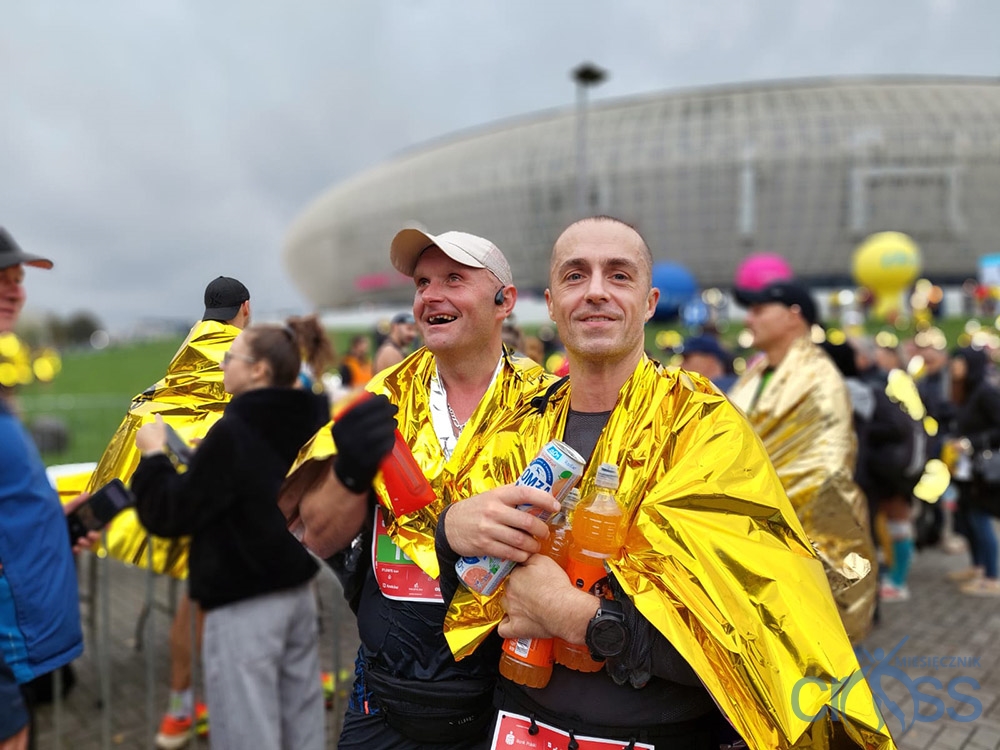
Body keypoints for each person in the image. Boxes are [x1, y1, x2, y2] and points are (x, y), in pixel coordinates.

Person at [442, 217, 894, 749]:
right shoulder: (514, 426)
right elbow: (466, 591)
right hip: (519, 725)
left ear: (650, 301)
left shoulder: (703, 429)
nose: (595, 292)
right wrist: (450, 528)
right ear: (551, 300)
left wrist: (582, 619)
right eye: (574, 275)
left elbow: (755, 633)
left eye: (619, 275)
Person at [280, 228, 559, 749]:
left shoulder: (549, 404)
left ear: (505, 301)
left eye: (454, 278)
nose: (431, 295)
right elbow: (317, 533)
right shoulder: (381, 398)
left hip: (509, 694)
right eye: (423, 282)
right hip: (388, 694)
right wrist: (348, 474)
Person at [132, 324, 330, 750]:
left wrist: (152, 457)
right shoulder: (306, 416)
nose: (222, 364)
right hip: (296, 586)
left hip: (244, 599)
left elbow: (172, 511)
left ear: (258, 370)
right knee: (303, 720)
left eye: (231, 357)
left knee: (246, 731)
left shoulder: (236, 430)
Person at [88, 275, 250, 749]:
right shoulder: (247, 354)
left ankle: (184, 706)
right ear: (246, 308)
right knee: (207, 603)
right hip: (225, 509)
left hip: (169, 500)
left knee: (194, 600)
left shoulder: (182, 356)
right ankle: (208, 706)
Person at [728, 280, 877, 643]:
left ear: (794, 316)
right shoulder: (758, 373)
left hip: (792, 540)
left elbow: (826, 471)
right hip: (746, 537)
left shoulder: (818, 378)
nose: (749, 320)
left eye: (760, 310)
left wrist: (755, 512)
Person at [0, 228, 98, 750]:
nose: (16, 291)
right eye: (2, 278)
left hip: (21, 651)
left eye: (17, 279)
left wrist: (49, 526)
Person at [943, 346, 1000, 596]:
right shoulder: (967, 392)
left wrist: (970, 443)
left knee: (981, 518)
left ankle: (992, 577)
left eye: (960, 362)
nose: (955, 367)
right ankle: (978, 567)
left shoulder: (986, 392)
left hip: (983, 468)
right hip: (967, 468)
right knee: (969, 516)